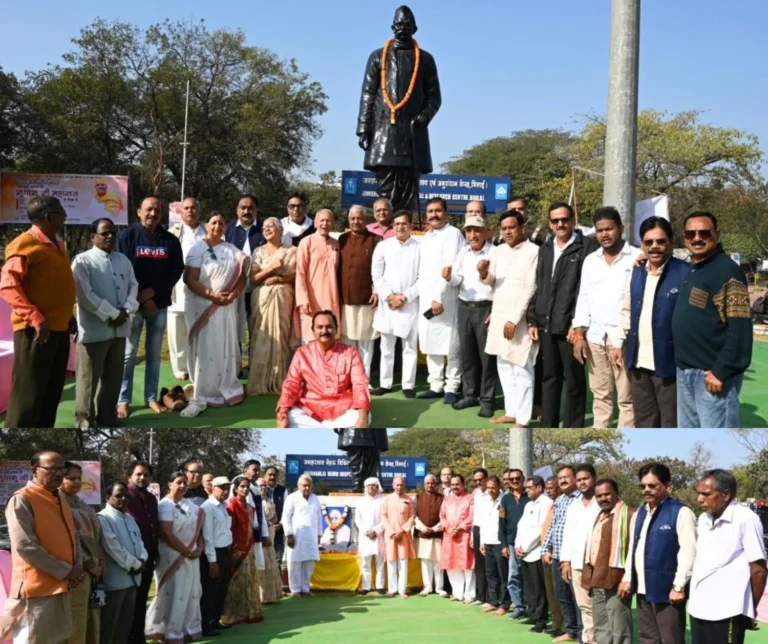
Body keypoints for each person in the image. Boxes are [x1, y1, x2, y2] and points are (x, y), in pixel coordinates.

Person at [0, 196, 77, 428]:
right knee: (28, 396)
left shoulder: (56, 244)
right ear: (48, 217)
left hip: (59, 330)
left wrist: (68, 315)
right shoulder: (24, 244)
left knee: (51, 393)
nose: (65, 217)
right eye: (61, 213)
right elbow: (8, 286)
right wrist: (35, 318)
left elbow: (52, 286)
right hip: (35, 333)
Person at [357, 5, 442, 212]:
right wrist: (364, 128)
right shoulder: (378, 56)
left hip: (413, 132)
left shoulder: (426, 59)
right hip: (383, 131)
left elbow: (435, 97)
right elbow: (368, 94)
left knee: (409, 190)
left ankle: (406, 224)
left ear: (415, 28)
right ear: (392, 27)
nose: (402, 28)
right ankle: (387, 225)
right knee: (385, 189)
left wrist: (425, 115)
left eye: (407, 24)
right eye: (399, 24)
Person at [672, 212, 752, 428]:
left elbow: (740, 329)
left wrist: (721, 370)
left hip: (711, 376)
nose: (697, 238)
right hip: (686, 372)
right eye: (691, 233)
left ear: (717, 234)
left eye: (704, 233)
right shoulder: (696, 268)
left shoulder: (727, 272)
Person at [610, 217, 689, 427]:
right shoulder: (637, 271)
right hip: (638, 363)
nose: (654, 247)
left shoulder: (686, 273)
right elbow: (627, 309)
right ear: (642, 244)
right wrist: (618, 343)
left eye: (660, 241)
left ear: (671, 242)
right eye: (648, 242)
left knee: (671, 423)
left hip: (669, 364)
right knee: (644, 423)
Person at [527, 202, 598, 428]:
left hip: (571, 328)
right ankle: (548, 424)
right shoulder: (546, 248)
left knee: (574, 381)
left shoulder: (588, 248)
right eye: (555, 220)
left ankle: (573, 427)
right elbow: (540, 286)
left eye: (564, 219)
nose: (560, 224)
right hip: (546, 324)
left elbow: (586, 291)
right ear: (550, 223)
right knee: (549, 378)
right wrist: (533, 319)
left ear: (573, 220)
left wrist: (578, 325)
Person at [572, 207, 639, 428]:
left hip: (623, 337)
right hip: (595, 337)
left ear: (621, 229)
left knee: (627, 398)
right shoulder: (591, 260)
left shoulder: (637, 258)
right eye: (600, 230)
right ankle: (601, 432)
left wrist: (623, 338)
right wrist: (579, 334)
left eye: (609, 229)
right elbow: (583, 297)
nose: (604, 234)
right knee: (600, 395)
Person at [116, 196, 184, 418]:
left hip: (159, 305)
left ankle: (151, 397)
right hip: (133, 305)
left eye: (157, 210)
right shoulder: (126, 237)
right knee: (129, 354)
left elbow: (176, 270)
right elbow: (122, 269)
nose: (153, 214)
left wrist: (154, 292)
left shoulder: (170, 240)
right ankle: (123, 400)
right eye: (148, 209)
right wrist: (143, 298)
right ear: (139, 211)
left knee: (154, 355)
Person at [4, 452, 82, 643]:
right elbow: (25, 546)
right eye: (52, 469)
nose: (59, 473)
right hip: (35, 592)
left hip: (61, 586)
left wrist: (76, 567)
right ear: (34, 470)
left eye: (61, 468)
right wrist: (66, 571)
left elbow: (74, 537)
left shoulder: (60, 499)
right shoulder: (22, 499)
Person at [71, 217, 138, 429]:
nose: (110, 236)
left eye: (113, 233)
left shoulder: (123, 260)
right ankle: (84, 423)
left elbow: (133, 286)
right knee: (87, 382)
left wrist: (126, 309)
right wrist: (112, 314)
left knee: (113, 379)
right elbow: (84, 295)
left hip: (120, 330)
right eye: (104, 233)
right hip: (94, 331)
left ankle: (107, 418)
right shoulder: (82, 261)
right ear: (93, 237)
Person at [182, 211, 250, 416]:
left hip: (225, 306)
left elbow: (242, 274)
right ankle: (203, 391)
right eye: (213, 223)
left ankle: (225, 386)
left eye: (221, 223)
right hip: (203, 306)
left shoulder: (231, 249)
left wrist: (235, 293)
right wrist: (212, 295)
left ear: (225, 227)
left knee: (223, 345)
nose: (217, 226)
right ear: (207, 225)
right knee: (205, 348)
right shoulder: (198, 248)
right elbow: (189, 279)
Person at [621, 466, 698, 644]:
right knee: (648, 638)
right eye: (643, 486)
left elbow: (689, 551)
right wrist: (628, 577)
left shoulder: (680, 512)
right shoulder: (640, 513)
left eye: (652, 485)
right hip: (643, 589)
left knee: (671, 638)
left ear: (667, 485)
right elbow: (633, 548)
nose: (646, 490)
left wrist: (679, 586)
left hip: (667, 591)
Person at [689, 469, 767, 644]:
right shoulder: (704, 519)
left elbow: (759, 570)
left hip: (727, 610)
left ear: (726, 494)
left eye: (706, 494)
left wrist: (749, 610)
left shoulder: (746, 519)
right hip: (698, 608)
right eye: (698, 493)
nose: (699, 499)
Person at [479, 209, 539, 426]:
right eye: (504, 228)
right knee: (503, 365)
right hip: (499, 315)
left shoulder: (533, 251)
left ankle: (523, 418)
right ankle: (511, 411)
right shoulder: (497, 251)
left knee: (522, 367)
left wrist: (514, 319)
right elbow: (491, 281)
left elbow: (531, 287)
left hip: (519, 319)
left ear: (522, 228)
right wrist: (483, 273)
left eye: (512, 227)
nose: (507, 232)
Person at [277, 310, 371, 428]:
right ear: (313, 331)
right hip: (310, 409)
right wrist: (283, 413)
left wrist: (362, 418)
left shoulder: (350, 352)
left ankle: (321, 429)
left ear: (336, 329)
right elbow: (292, 383)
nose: (324, 331)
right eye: (320, 327)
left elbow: (360, 384)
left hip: (342, 409)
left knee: (361, 416)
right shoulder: (302, 353)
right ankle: (329, 428)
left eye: (329, 327)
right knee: (291, 416)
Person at [144, 471, 204, 643]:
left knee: (190, 592)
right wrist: (187, 552)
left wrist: (200, 547)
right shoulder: (165, 505)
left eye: (185, 482)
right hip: (172, 557)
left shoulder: (190, 505)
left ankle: (187, 629)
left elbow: (198, 530)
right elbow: (166, 534)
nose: (183, 486)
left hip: (192, 557)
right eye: (178, 482)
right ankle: (168, 632)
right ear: (170, 485)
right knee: (173, 592)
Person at [446, 215, 496, 417]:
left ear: (485, 232)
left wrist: (496, 311)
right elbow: (457, 279)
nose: (473, 235)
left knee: (487, 358)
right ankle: (470, 395)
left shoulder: (494, 253)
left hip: (486, 308)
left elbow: (499, 283)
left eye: (477, 230)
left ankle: (487, 400)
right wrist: (449, 277)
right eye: (469, 231)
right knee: (467, 355)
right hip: (465, 306)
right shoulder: (463, 252)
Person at [417, 198, 466, 402]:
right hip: (427, 299)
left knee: (452, 346)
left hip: (447, 299)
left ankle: (452, 387)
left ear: (446, 213)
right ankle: (435, 385)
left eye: (438, 210)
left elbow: (451, 267)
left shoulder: (453, 234)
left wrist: (438, 297)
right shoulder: (427, 236)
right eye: (430, 211)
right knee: (431, 343)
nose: (434, 215)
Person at [371, 210, 421, 398]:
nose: (400, 227)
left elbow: (422, 277)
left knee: (409, 347)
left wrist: (405, 297)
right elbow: (376, 275)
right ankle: (385, 383)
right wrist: (389, 296)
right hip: (387, 304)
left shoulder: (419, 247)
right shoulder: (383, 246)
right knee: (386, 346)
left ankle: (408, 385)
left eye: (404, 224)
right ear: (393, 226)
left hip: (409, 304)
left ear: (411, 226)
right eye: (397, 224)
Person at [246, 216, 298, 396]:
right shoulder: (258, 252)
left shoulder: (292, 251)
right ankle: (259, 380)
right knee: (261, 336)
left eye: (271, 226)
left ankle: (280, 380)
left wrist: (279, 278)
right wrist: (271, 268)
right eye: (264, 227)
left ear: (281, 230)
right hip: (262, 301)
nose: (267, 229)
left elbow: (296, 277)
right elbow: (253, 279)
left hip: (283, 300)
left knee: (281, 337)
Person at [581, 479, 635, 644]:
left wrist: (627, 578)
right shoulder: (598, 516)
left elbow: (634, 550)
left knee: (619, 628)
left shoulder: (630, 515)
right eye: (599, 496)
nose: (603, 499)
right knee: (601, 627)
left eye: (607, 494)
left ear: (616, 494)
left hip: (616, 580)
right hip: (597, 578)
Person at [61, 462, 106, 644]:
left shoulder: (83, 505)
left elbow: (95, 537)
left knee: (91, 616)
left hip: (94, 573)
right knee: (75, 618)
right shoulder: (57, 504)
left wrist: (101, 561)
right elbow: (68, 540)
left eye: (79, 478)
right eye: (71, 478)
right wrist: (89, 564)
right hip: (76, 572)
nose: (77, 482)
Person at [98, 482, 148, 644]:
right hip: (115, 582)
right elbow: (113, 548)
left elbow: (140, 542)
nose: (124, 499)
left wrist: (142, 559)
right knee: (109, 626)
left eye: (126, 495)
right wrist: (135, 564)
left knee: (124, 626)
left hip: (133, 580)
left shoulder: (129, 518)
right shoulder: (103, 518)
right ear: (108, 497)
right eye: (119, 495)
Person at [338, 205, 380, 380]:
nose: (356, 221)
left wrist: (377, 290)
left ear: (366, 220)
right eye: (353, 218)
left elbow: (381, 269)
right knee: (347, 342)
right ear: (349, 220)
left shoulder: (375, 240)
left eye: (360, 218)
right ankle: (349, 379)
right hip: (345, 299)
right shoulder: (342, 239)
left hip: (366, 300)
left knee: (365, 342)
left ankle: (364, 379)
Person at [560, 464, 601, 644]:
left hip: (598, 564)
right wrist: (565, 562)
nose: (582, 482)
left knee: (599, 606)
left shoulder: (602, 502)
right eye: (579, 480)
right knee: (584, 606)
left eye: (586, 478)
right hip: (576, 563)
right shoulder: (574, 505)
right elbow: (567, 534)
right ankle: (588, 639)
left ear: (595, 479)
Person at [168, 197, 206, 381]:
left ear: (199, 210)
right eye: (186, 208)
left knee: (200, 330)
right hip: (177, 289)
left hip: (202, 288)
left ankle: (199, 365)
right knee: (177, 332)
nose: (190, 211)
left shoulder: (208, 231)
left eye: (193, 208)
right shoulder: (172, 233)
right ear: (180, 212)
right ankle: (181, 368)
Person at [224, 194, 265, 364]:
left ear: (256, 210)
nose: (247, 211)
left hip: (259, 291)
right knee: (235, 329)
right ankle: (236, 366)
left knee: (257, 329)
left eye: (250, 208)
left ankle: (255, 367)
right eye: (243, 208)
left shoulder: (265, 229)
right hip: (234, 291)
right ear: (237, 210)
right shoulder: (227, 230)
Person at [542, 466, 582, 643]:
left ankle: (583, 632)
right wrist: (546, 549)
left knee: (578, 597)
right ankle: (571, 630)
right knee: (563, 596)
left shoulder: (581, 499)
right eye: (561, 478)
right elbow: (553, 525)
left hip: (574, 557)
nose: (563, 480)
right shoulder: (559, 500)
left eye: (567, 477)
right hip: (557, 555)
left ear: (575, 478)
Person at [221, 476, 264, 625]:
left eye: (247, 487)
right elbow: (230, 529)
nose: (245, 489)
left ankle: (250, 613)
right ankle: (233, 615)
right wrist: (232, 549)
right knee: (235, 584)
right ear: (235, 488)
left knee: (249, 581)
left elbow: (253, 527)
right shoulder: (231, 505)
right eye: (242, 486)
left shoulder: (251, 508)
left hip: (249, 548)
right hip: (236, 550)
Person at [123, 461, 158, 644]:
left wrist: (155, 552)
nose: (142, 477)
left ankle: (138, 637)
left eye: (146, 475)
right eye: (138, 474)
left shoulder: (151, 498)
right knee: (129, 602)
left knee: (142, 599)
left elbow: (154, 527)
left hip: (148, 556)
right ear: (129, 475)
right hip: (130, 558)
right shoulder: (123, 495)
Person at [515, 476, 554, 633]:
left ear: (539, 488)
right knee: (529, 587)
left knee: (539, 588)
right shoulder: (528, 504)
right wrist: (518, 545)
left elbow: (541, 529)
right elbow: (521, 526)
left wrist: (526, 547)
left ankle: (541, 619)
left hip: (536, 551)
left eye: (529, 487)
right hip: (524, 552)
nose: (527, 490)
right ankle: (532, 614)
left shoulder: (547, 503)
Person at [295, 209, 341, 343]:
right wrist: (303, 300)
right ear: (315, 223)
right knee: (310, 338)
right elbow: (300, 273)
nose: (325, 224)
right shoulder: (306, 242)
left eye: (328, 221)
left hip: (332, 298)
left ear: (333, 224)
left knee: (330, 337)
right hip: (311, 299)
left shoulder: (336, 244)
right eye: (322, 220)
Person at [200, 477, 233, 636]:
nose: (225, 491)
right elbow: (207, 536)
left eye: (227, 488)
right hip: (213, 554)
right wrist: (212, 561)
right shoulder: (208, 507)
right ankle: (205, 625)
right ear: (212, 488)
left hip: (225, 551)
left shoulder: (224, 506)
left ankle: (215, 620)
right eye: (222, 488)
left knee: (221, 590)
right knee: (210, 591)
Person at [282, 474, 322, 597]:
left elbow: (319, 517)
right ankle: (295, 589)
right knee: (295, 562)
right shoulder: (292, 498)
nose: (307, 488)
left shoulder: (315, 498)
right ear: (298, 486)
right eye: (304, 485)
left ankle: (305, 588)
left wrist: (319, 535)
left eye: (309, 485)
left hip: (311, 535)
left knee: (309, 562)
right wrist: (289, 534)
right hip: (296, 535)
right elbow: (285, 517)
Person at [439, 474, 475, 603]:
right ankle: (457, 593)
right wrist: (448, 528)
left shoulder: (470, 498)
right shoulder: (447, 499)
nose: (455, 487)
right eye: (453, 484)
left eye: (457, 484)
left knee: (467, 565)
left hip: (464, 535)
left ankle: (469, 595)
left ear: (463, 485)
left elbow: (471, 516)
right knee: (452, 565)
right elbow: (442, 516)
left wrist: (459, 528)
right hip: (449, 536)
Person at [499, 468, 528, 620]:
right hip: (511, 542)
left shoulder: (530, 496)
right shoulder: (505, 499)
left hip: (530, 544)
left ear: (523, 479)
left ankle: (531, 607)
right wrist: (504, 545)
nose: (515, 481)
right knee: (513, 576)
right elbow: (501, 523)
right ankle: (518, 606)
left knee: (529, 578)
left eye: (518, 478)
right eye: (512, 479)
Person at [478, 475, 509, 615]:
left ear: (499, 486)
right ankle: (493, 601)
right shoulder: (484, 500)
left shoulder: (505, 499)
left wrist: (504, 544)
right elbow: (483, 523)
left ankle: (504, 604)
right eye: (488, 488)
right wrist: (482, 541)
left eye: (493, 488)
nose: (490, 490)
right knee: (490, 574)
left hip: (499, 542)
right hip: (488, 541)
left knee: (503, 574)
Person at [382, 476, 416, 598]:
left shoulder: (409, 500)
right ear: (393, 485)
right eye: (397, 485)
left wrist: (402, 531)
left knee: (403, 562)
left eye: (401, 485)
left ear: (404, 485)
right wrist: (391, 532)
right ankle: (392, 589)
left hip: (404, 535)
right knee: (391, 561)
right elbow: (383, 516)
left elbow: (412, 517)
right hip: (390, 536)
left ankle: (402, 590)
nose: (399, 487)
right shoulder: (387, 499)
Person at [415, 474, 445, 597]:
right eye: (427, 483)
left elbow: (445, 516)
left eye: (432, 483)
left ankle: (439, 588)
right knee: (425, 561)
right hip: (423, 534)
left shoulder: (442, 498)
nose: (430, 485)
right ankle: (427, 587)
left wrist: (434, 529)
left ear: (435, 484)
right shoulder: (418, 497)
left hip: (438, 534)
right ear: (424, 485)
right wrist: (422, 528)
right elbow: (414, 516)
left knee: (438, 560)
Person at [355, 477, 386, 594]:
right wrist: (366, 531)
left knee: (380, 563)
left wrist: (376, 531)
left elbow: (385, 519)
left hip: (379, 536)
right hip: (365, 536)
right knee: (365, 563)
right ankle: (366, 587)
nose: (371, 488)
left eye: (374, 485)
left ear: (378, 487)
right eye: (369, 485)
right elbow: (357, 520)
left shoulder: (383, 501)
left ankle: (380, 586)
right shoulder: (360, 501)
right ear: (365, 487)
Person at [543, 476, 565, 637]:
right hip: (548, 554)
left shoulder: (565, 503)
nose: (549, 491)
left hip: (559, 554)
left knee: (561, 594)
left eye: (552, 487)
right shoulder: (553, 504)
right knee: (552, 593)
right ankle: (557, 624)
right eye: (548, 488)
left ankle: (566, 627)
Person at [241, 460, 270, 582]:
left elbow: (259, 513)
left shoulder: (255, 488)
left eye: (259, 470)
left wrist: (264, 534)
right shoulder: (237, 484)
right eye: (254, 470)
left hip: (255, 531)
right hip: (242, 533)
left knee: (253, 566)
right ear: (245, 470)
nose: (257, 473)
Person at [256, 477, 284, 604]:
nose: (263, 488)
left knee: (271, 566)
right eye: (260, 485)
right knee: (261, 567)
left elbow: (275, 517)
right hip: (260, 538)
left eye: (265, 486)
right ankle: (260, 597)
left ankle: (270, 596)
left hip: (271, 535)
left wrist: (271, 523)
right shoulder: (254, 502)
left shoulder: (269, 501)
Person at [470, 468, 489, 606]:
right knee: (479, 565)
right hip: (477, 530)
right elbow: (475, 516)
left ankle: (491, 597)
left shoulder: (494, 493)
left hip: (489, 531)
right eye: (476, 480)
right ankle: (480, 596)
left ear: (486, 478)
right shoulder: (476, 494)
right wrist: (472, 534)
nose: (478, 482)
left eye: (480, 479)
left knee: (490, 566)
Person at [264, 466, 287, 572]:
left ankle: (277, 579)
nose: (272, 477)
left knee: (277, 557)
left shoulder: (283, 490)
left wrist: (281, 524)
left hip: (278, 529)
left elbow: (286, 510)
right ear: (265, 475)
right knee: (264, 556)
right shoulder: (259, 489)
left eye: (274, 475)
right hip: (263, 530)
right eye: (270, 474)